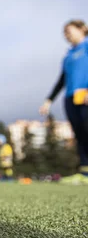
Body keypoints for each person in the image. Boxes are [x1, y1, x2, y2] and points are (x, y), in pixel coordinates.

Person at [40, 19, 88, 184]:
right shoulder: (68, 56)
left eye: (69, 31)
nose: (66, 35)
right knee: (79, 134)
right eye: (64, 33)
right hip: (70, 98)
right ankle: (84, 172)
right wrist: (48, 100)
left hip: (86, 96)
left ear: (82, 29)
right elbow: (62, 80)